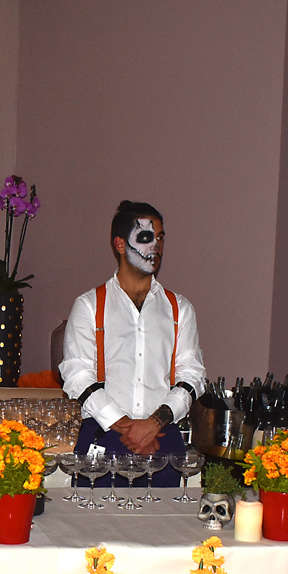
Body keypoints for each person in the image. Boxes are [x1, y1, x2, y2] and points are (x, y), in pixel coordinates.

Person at [59, 200, 205, 486]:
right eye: (146, 237)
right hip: (104, 436)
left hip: (162, 438)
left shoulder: (180, 308)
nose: (156, 246)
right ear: (120, 244)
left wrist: (153, 424)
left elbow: (193, 375)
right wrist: (129, 428)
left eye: (160, 238)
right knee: (95, 516)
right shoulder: (89, 305)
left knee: (165, 516)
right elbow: (76, 374)